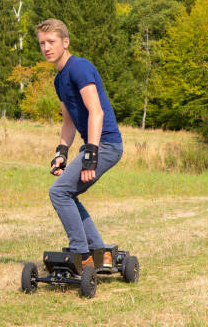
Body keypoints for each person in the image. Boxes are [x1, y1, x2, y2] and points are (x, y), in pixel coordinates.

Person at [36, 18, 123, 270]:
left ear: (65, 42)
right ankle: (99, 252)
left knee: (59, 192)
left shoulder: (80, 68)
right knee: (67, 193)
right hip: (96, 145)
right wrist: (61, 153)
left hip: (105, 145)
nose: (46, 48)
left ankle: (80, 254)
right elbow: (68, 123)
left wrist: (90, 156)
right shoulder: (59, 80)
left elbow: (96, 112)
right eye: (42, 43)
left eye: (51, 42)